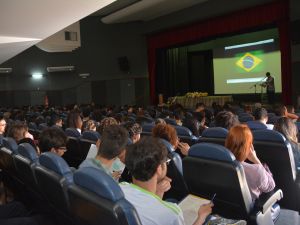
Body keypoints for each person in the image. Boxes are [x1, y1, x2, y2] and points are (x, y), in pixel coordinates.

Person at [120, 137, 213, 225]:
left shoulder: (119, 188)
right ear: (159, 168)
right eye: (166, 162)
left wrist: (158, 193)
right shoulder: (171, 213)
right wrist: (201, 217)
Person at [225, 124, 275, 200]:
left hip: (229, 204)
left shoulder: (219, 164)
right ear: (249, 147)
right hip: (250, 209)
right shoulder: (256, 170)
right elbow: (270, 186)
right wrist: (256, 160)